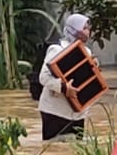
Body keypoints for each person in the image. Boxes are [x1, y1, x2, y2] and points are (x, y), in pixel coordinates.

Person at [38, 13, 98, 141]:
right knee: (54, 151)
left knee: (76, 152)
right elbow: (43, 77)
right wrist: (64, 87)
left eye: (88, 29)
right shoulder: (56, 49)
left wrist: (94, 69)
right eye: (84, 28)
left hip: (78, 112)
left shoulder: (86, 52)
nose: (87, 32)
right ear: (73, 29)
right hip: (55, 111)